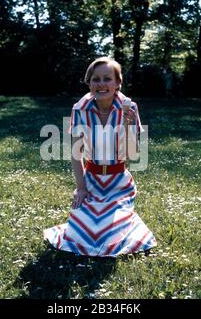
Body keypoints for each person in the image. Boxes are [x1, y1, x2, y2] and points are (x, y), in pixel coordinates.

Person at [43, 57, 157, 257]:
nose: (101, 84)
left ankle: (125, 223)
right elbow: (75, 154)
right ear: (89, 83)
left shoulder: (130, 108)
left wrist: (130, 127)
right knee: (81, 231)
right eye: (96, 79)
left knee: (111, 234)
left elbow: (133, 155)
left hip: (119, 184)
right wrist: (81, 188)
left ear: (117, 83)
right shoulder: (80, 109)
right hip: (92, 181)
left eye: (107, 79)